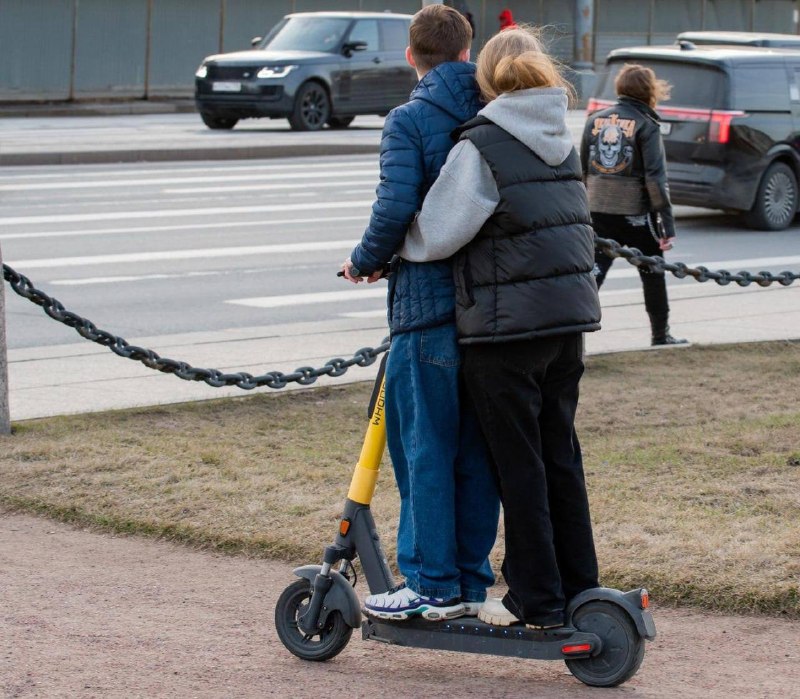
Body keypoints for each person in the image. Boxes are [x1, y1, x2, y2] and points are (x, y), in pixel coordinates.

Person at [399, 26, 602, 629]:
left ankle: (536, 597)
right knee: (560, 455)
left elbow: (437, 233)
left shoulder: (483, 143)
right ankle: (580, 584)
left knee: (518, 466)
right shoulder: (559, 138)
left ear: (487, 79)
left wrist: (390, 251)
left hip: (504, 330)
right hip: (566, 324)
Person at [340, 4, 500, 621]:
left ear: (411, 56)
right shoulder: (494, 111)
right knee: (474, 452)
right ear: (467, 51)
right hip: (487, 308)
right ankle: (469, 580)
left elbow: (394, 206)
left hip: (427, 308)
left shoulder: (408, 119)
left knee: (423, 448)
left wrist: (363, 260)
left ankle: (430, 583)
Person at [580, 63, 688, 346]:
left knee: (591, 277)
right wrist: (666, 226)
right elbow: (656, 180)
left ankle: (570, 336)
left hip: (597, 211)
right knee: (652, 273)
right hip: (636, 214)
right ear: (650, 91)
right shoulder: (647, 124)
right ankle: (660, 334)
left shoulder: (594, 120)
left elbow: (582, 171)